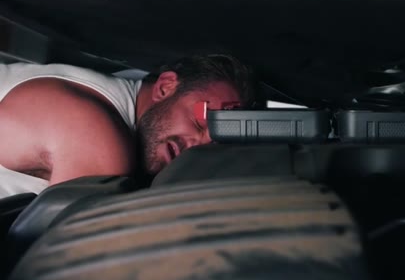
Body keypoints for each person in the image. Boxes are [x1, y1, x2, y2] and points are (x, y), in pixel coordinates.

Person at [0, 55, 257, 198]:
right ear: (165, 87)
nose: (196, 146)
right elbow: (63, 262)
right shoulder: (97, 138)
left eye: (212, 143)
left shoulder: (123, 89)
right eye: (199, 123)